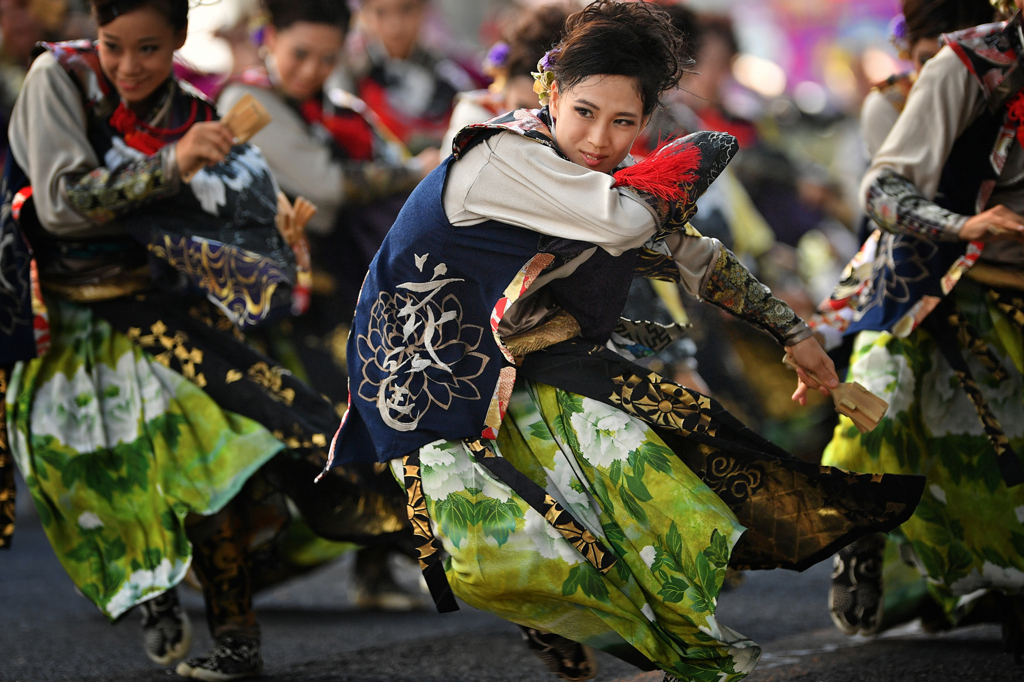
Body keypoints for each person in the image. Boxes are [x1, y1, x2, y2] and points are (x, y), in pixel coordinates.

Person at [328, 3, 924, 680]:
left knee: (651, 488)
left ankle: (672, 655)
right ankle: (571, 625)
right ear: (549, 94)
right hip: (427, 384)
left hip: (529, 367)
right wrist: (694, 155)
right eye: (584, 112)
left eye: (625, 122)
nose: (599, 139)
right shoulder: (498, 153)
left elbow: (689, 254)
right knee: (501, 563)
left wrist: (795, 334)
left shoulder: (599, 179)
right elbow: (624, 223)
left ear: (645, 121)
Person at [0, 0, 407, 678]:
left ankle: (237, 645)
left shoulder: (197, 113)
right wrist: (173, 167)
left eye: (150, 49)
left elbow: (236, 223)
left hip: (169, 320)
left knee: (212, 470)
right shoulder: (58, 79)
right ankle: (150, 592)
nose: (129, 66)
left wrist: (272, 235)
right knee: (92, 482)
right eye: (112, 45)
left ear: (180, 42)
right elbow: (62, 206)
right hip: (65, 328)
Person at [814, 0, 1024, 655]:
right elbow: (881, 193)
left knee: (995, 478)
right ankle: (859, 534)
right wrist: (964, 226)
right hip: (924, 282)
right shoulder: (966, 65)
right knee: (878, 416)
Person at [216, 0, 435, 611]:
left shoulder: (331, 110)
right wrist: (414, 169)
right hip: (275, 311)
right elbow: (327, 188)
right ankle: (238, 574)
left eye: (328, 58)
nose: (313, 69)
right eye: (299, 54)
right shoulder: (245, 102)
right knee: (328, 435)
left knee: (377, 417)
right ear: (268, 40)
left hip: (337, 293)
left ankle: (375, 567)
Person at [344, 0, 478, 153]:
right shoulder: (354, 74)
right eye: (380, 12)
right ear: (364, 16)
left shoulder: (447, 77)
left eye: (406, 9)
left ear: (424, 10)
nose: (394, 25)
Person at [439, 1, 570, 152]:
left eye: (547, 114)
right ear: (504, 89)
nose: (535, 124)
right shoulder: (474, 120)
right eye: (522, 110)